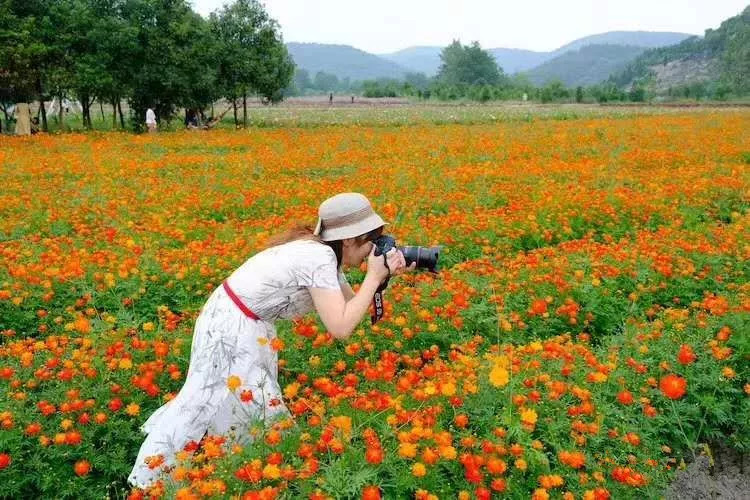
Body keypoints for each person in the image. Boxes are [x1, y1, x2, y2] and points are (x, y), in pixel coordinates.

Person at [127, 193, 412, 488]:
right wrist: (372, 278)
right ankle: (151, 481)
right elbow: (341, 328)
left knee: (226, 401)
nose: (371, 251)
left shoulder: (324, 254)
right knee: (216, 401)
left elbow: (354, 309)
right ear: (351, 239)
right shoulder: (319, 258)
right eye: (371, 241)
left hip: (239, 321)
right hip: (233, 328)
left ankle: (221, 471)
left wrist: (383, 278)